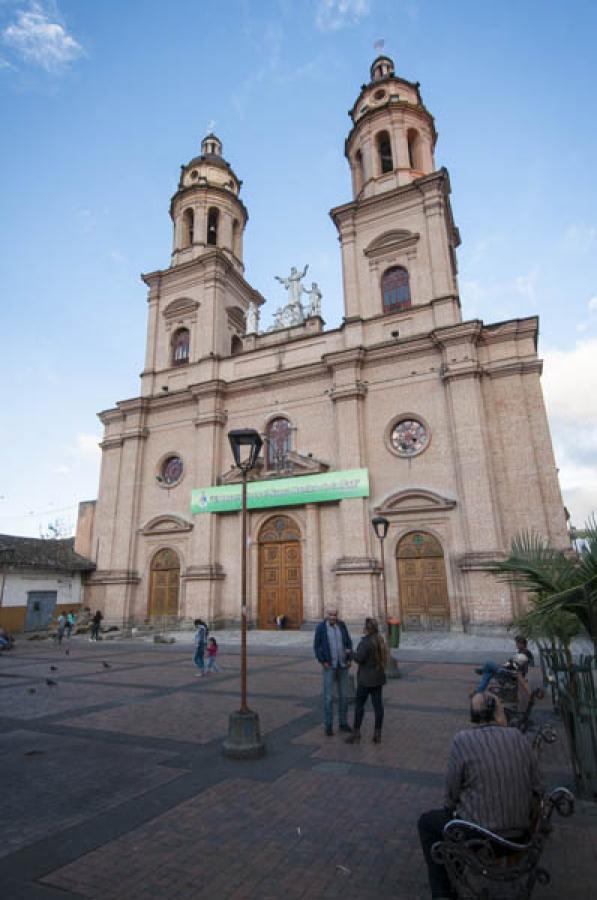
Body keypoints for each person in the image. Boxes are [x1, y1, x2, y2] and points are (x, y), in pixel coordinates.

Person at [418, 691, 543, 900]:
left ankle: (442, 893)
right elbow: (539, 786)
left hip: (479, 837)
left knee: (427, 823)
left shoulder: (463, 740)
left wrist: (454, 807)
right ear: (496, 713)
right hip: (520, 836)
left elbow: (451, 794)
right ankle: (453, 868)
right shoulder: (519, 737)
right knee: (449, 824)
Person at [345, 617, 388, 744]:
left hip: (366, 680)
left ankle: (356, 732)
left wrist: (350, 653)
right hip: (378, 678)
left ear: (367, 629)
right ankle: (377, 733)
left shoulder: (366, 642)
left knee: (359, 706)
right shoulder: (380, 640)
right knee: (378, 706)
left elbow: (359, 658)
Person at [313, 607, 353, 736]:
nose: (333, 617)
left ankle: (343, 723)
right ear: (326, 615)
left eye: (335, 615)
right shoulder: (321, 628)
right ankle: (328, 725)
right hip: (329, 665)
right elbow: (317, 646)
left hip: (342, 665)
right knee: (328, 697)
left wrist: (349, 657)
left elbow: (348, 642)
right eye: (330, 615)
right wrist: (323, 661)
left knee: (344, 696)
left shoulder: (342, 626)